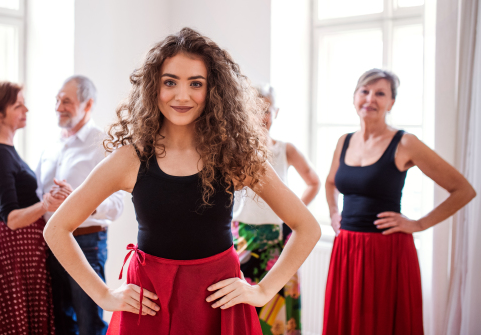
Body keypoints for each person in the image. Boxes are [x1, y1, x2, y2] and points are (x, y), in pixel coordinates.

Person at [43, 27, 322, 335]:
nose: (182, 95)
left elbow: (307, 227)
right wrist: (104, 295)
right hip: (148, 305)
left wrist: (263, 291)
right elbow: (56, 228)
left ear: (213, 91)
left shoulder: (234, 156)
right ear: (153, 87)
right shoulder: (130, 159)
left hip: (218, 306)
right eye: (170, 82)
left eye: (196, 83)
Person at [322, 69, 477, 335]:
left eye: (380, 93)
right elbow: (330, 182)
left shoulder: (405, 142)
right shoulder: (344, 141)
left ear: (391, 102)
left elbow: (463, 190)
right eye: (365, 91)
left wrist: (418, 224)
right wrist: (334, 212)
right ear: (354, 97)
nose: (370, 98)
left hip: (386, 251)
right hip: (346, 247)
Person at [37, 75, 125, 335]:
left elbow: (118, 206)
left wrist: (79, 200)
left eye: (67, 101)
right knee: (61, 321)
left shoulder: (103, 144)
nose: (58, 107)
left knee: (89, 322)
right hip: (52, 243)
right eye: (57, 100)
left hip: (87, 243)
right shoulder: (51, 144)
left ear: (88, 105)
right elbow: (37, 192)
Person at [233, 84, 320, 335]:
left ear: (276, 112)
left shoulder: (284, 149)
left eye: (267, 110)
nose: (261, 117)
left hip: (279, 236)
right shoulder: (235, 150)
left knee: (278, 303)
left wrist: (292, 211)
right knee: (245, 303)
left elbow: (313, 181)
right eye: (255, 109)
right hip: (242, 236)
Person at [0, 81, 55, 335]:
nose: (25, 109)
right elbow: (13, 219)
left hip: (22, 247)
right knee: (17, 319)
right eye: (18, 105)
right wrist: (47, 203)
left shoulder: (4, 151)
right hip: (17, 247)